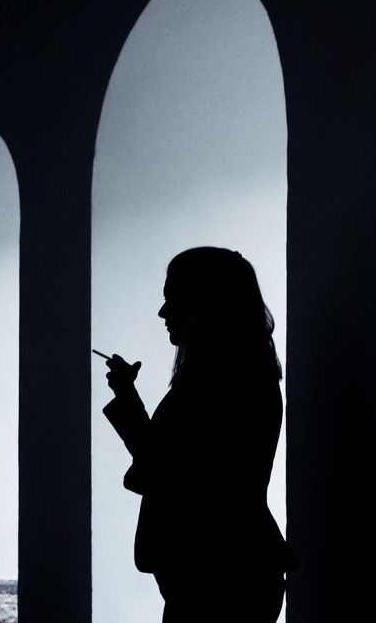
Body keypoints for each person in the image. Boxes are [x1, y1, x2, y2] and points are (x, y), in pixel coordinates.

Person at [102, 247, 298, 622]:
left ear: (204, 302)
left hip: (217, 578)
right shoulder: (241, 373)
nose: (162, 312)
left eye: (172, 299)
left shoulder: (220, 381)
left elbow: (165, 470)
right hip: (228, 573)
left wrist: (127, 400)